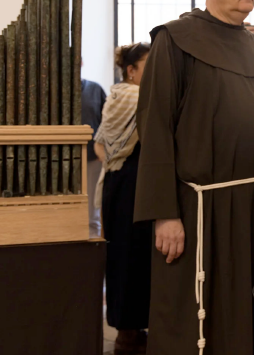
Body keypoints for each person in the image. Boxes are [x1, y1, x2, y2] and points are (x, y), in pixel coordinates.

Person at [133, 0, 254, 355]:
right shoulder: (175, 40)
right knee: (204, 317)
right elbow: (154, 126)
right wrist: (164, 213)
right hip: (202, 209)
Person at [94, 42, 151, 355]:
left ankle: (129, 330)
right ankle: (128, 334)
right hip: (131, 185)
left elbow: (100, 144)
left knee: (127, 256)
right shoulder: (134, 96)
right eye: (149, 65)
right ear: (131, 70)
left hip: (120, 182)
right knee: (131, 257)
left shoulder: (115, 96)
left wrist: (114, 163)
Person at [82, 73, 107, 238]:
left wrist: (101, 149)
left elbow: (107, 121)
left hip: (92, 156)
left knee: (93, 208)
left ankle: (93, 240)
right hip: (60, 158)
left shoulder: (95, 89)